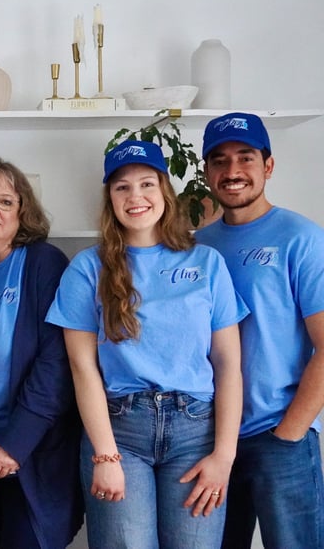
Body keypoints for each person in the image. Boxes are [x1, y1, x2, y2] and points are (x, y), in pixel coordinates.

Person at [46, 139, 246, 548]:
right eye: (122, 187)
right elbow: (83, 369)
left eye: (146, 184)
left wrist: (224, 457)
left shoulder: (206, 263)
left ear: (164, 193)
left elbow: (228, 364)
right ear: (110, 199)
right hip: (120, 431)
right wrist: (104, 455)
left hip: (197, 432)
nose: (135, 197)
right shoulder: (88, 268)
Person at [195, 112, 324, 548]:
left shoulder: (301, 238)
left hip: (279, 434)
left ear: (268, 166)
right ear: (206, 171)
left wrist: (289, 433)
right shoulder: (197, 247)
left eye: (245, 158)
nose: (232, 171)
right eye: (220, 160)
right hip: (208, 440)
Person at [0, 157, 84, 549]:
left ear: (23, 213)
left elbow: (56, 363)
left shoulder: (45, 263)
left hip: (32, 446)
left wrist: (14, 444)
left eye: (6, 201)